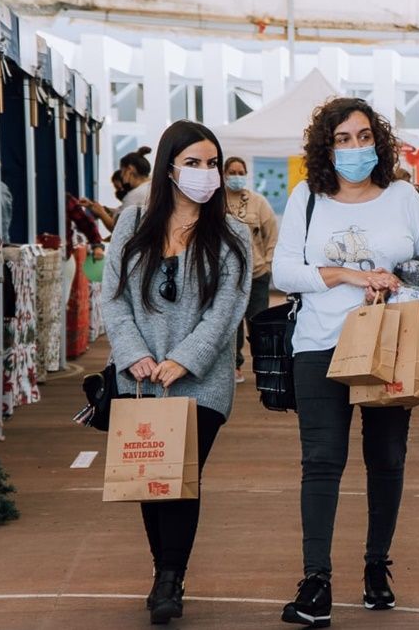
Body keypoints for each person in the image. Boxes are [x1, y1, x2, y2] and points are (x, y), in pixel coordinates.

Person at [273, 97, 419, 628]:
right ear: (326, 147)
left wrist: (399, 281)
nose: (354, 147)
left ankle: (376, 567)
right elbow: (283, 272)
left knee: (387, 457)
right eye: (343, 138)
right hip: (321, 343)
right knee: (322, 460)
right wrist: (349, 276)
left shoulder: (403, 197)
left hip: (390, 342)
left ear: (379, 141)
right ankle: (316, 579)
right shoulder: (306, 198)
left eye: (363, 136)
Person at [100, 120, 251, 625]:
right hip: (138, 377)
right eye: (194, 163)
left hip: (201, 380)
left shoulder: (232, 234)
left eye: (212, 163)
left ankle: (170, 578)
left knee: (181, 475)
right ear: (169, 168)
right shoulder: (134, 222)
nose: (206, 174)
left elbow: (228, 309)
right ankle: (162, 570)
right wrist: (132, 353)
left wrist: (184, 359)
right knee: (149, 475)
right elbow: (115, 297)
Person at [223, 155, 279, 383]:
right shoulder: (215, 201)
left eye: (240, 172)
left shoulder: (258, 202)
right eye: (232, 172)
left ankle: (263, 365)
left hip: (257, 273)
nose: (236, 177)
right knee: (231, 323)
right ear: (224, 174)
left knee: (258, 321)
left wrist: (267, 263)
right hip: (228, 276)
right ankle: (234, 366)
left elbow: (271, 234)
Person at [87, 149, 151, 232]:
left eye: (122, 170)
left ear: (129, 169)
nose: (121, 175)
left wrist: (101, 213)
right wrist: (107, 210)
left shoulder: (135, 195)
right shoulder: (152, 186)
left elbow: (118, 230)